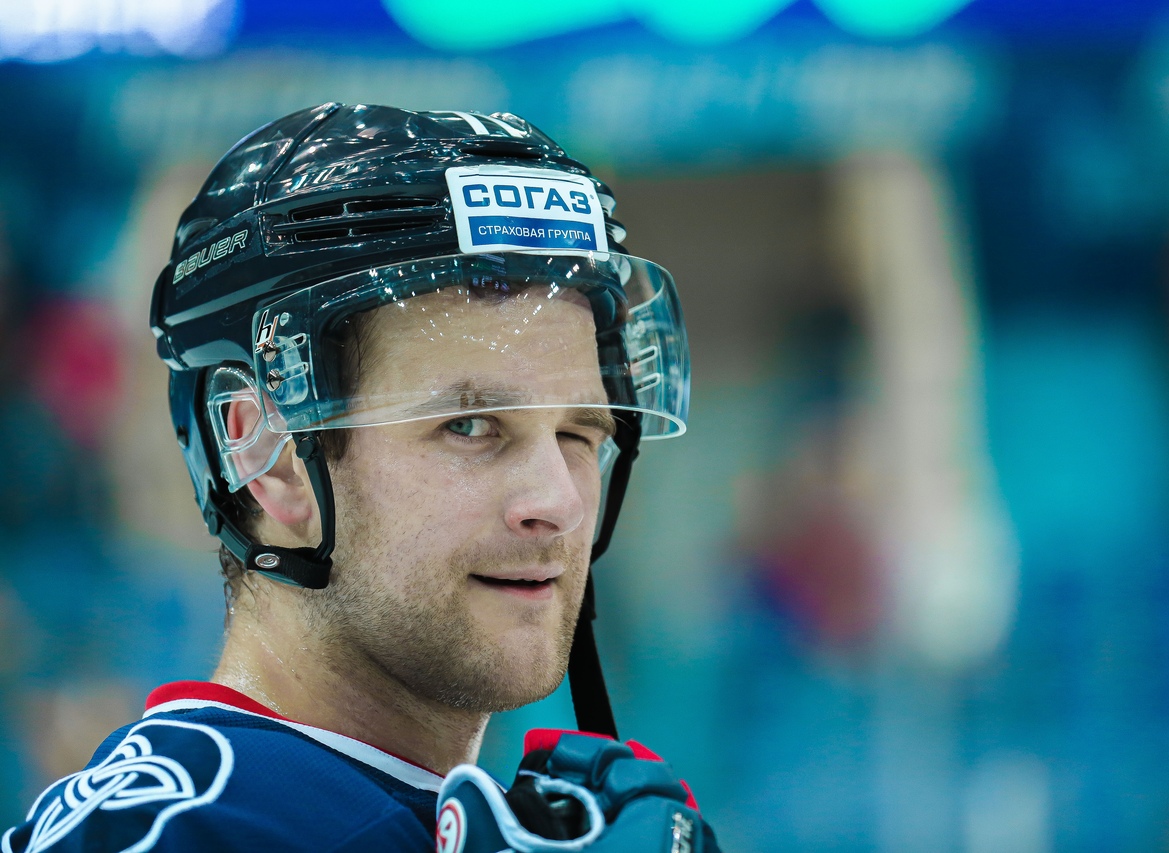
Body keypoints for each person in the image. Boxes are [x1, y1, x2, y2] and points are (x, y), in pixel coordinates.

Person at [3, 104, 719, 852]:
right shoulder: (182, 831)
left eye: (579, 431)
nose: (560, 502)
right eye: (470, 426)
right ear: (270, 453)